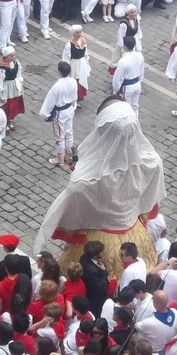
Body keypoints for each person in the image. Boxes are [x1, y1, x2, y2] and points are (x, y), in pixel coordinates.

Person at [36, 97, 165, 278]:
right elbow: (149, 201)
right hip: (135, 238)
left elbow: (73, 213)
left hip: (98, 243)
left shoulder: (85, 182)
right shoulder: (151, 163)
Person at [39, 61, 78, 167]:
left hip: (60, 112)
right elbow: (75, 96)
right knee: (69, 133)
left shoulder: (57, 86)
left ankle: (60, 160)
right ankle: (68, 157)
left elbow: (49, 101)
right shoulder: (73, 81)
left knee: (60, 137)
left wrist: (45, 114)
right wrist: (73, 106)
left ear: (59, 72)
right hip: (69, 109)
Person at [112, 36, 145, 115]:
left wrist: (115, 90)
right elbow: (142, 70)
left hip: (127, 87)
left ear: (125, 46)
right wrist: (140, 81)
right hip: (137, 85)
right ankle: (135, 124)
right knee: (135, 107)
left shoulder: (123, 60)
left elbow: (118, 78)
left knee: (125, 109)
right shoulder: (139, 56)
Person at [0, 47, 24, 131]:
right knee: (6, 105)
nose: (13, 57)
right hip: (6, 87)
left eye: (14, 55)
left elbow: (19, 72)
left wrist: (19, 81)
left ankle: (9, 120)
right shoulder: (2, 67)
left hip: (14, 86)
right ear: (6, 56)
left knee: (13, 103)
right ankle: (4, 122)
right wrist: (0, 91)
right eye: (11, 56)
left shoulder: (16, 63)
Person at [62, 25, 90, 102]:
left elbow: (86, 53)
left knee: (80, 80)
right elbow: (66, 57)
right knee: (74, 82)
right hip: (74, 64)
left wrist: (86, 63)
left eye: (80, 32)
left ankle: (78, 98)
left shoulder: (83, 41)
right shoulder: (69, 44)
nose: (79, 34)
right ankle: (71, 98)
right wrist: (67, 69)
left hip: (81, 64)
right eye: (77, 33)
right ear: (73, 34)